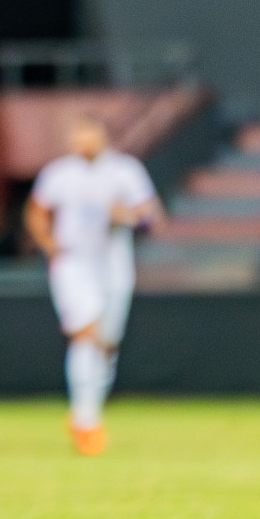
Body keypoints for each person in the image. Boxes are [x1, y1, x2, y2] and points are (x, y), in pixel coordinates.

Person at [25, 114, 163, 455]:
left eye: (88, 134)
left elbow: (151, 218)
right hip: (74, 263)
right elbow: (36, 212)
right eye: (77, 135)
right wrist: (49, 246)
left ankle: (88, 412)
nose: (83, 141)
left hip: (114, 265)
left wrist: (128, 217)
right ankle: (86, 422)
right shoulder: (58, 173)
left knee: (106, 343)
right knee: (86, 331)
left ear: (102, 136)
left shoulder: (125, 171)